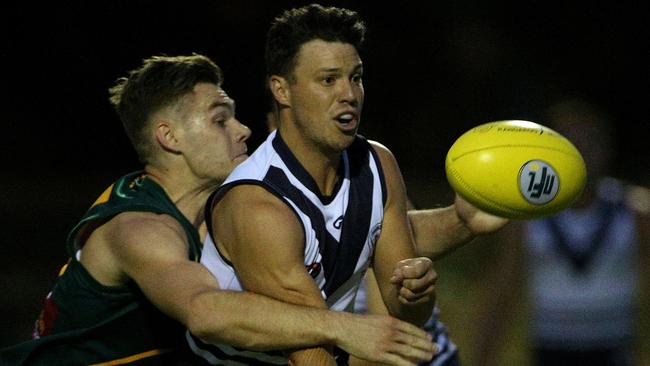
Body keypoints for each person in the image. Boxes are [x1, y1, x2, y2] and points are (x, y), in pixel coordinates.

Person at [0, 54, 443, 366]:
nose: (244, 128)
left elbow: (364, 231)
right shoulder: (141, 231)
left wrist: (463, 221)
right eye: (220, 118)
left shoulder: (211, 211)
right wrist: (341, 328)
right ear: (169, 137)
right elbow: (205, 311)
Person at [192, 4, 508, 365]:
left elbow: (404, 314)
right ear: (282, 90)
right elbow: (310, 352)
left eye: (355, 77)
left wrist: (415, 295)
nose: (350, 94)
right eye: (328, 80)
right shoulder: (259, 205)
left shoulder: (377, 165)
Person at [476, 98, 650, 366]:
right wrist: (484, 354)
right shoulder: (526, 216)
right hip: (550, 350)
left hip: (615, 348)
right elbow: (503, 289)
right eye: (570, 142)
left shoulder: (635, 210)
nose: (580, 152)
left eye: (589, 141)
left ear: (607, 147)